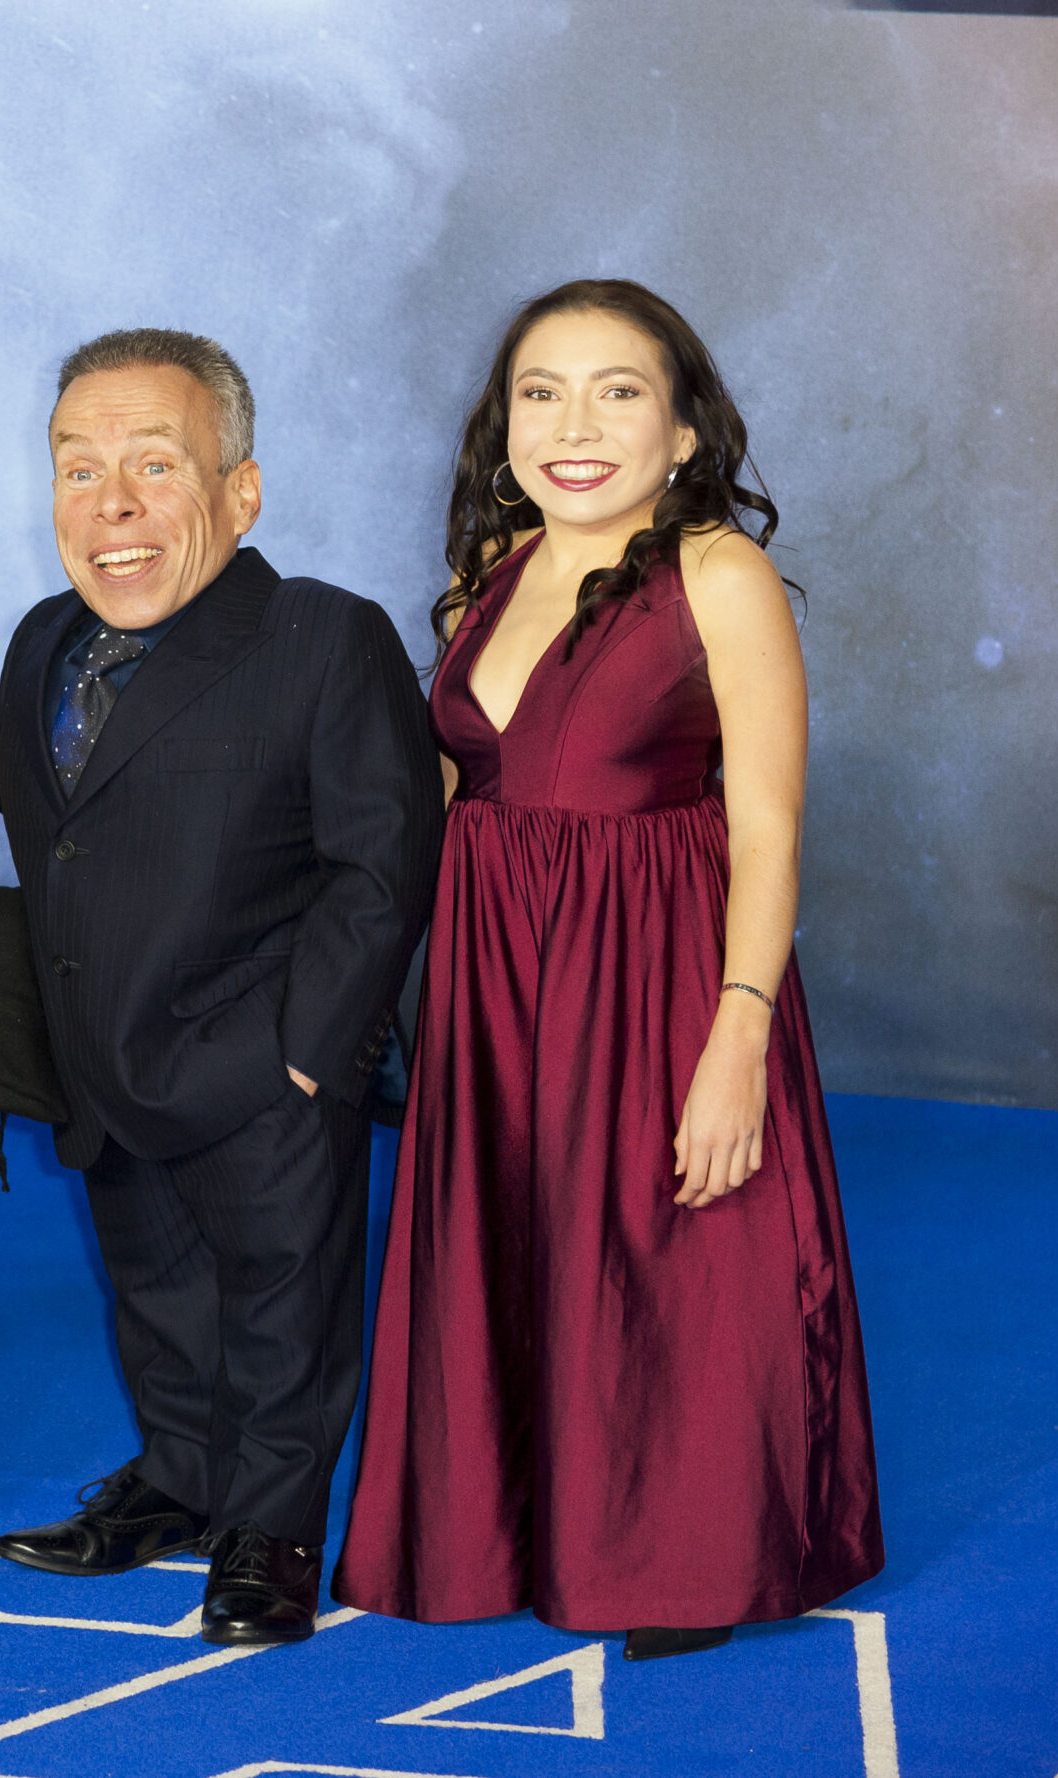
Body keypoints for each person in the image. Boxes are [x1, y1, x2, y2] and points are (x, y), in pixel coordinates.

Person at [332, 280, 883, 1661]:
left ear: (685, 430)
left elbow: (767, 825)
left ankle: (684, 1545)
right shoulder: (486, 578)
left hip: (654, 975)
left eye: (617, 391)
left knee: (663, 1254)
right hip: (495, 972)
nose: (574, 425)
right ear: (503, 424)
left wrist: (737, 1036)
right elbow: (449, 796)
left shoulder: (720, 575)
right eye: (540, 392)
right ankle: (516, 1525)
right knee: (517, 1236)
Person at [0, 329, 442, 1646]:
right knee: (160, 1293)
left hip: (263, 1065)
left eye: (153, 465)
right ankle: (181, 1478)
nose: (109, 506)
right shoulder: (41, 643)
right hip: (111, 1052)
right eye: (77, 469)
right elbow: (56, 815)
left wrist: (311, 1054)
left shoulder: (319, 638)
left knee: (280, 1308)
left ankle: (271, 1524)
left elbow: (380, 864)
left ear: (241, 493)